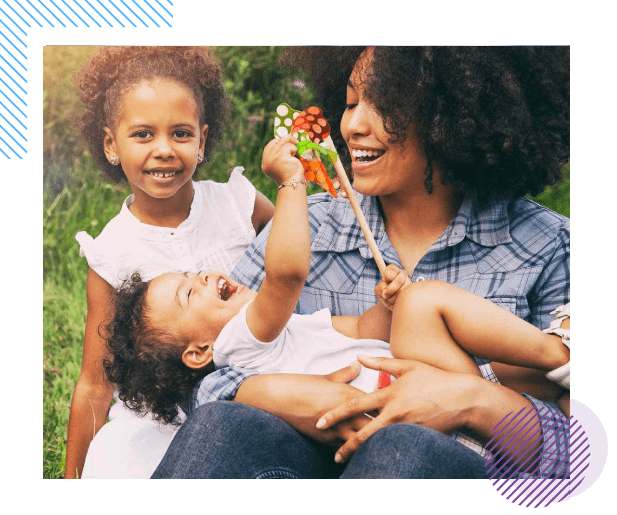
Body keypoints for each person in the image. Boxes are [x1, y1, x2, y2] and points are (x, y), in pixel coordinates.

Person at [152, 46, 570, 479]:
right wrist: (271, 391)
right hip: (310, 465)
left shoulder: (548, 246)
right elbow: (196, 363)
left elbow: (590, 452)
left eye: (385, 106)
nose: (352, 125)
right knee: (220, 426)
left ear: (453, 117)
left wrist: (471, 400)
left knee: (401, 448)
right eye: (350, 104)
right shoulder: (304, 226)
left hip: (462, 466)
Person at [103, 134, 570, 443]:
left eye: (191, 275)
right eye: (190, 292)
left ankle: (558, 363)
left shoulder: (284, 333)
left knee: (419, 300)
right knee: (430, 303)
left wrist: (389, 303)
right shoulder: (242, 340)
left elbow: (364, 328)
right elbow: (285, 275)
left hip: (430, 386)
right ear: (200, 352)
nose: (203, 277)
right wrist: (290, 184)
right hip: (400, 418)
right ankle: (558, 354)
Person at [64, 46, 275, 479]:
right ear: (111, 145)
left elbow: (296, 259)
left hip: (254, 398)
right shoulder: (112, 251)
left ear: (202, 140)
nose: (164, 149)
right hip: (157, 421)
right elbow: (96, 383)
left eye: (181, 133)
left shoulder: (237, 204)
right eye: (143, 134)